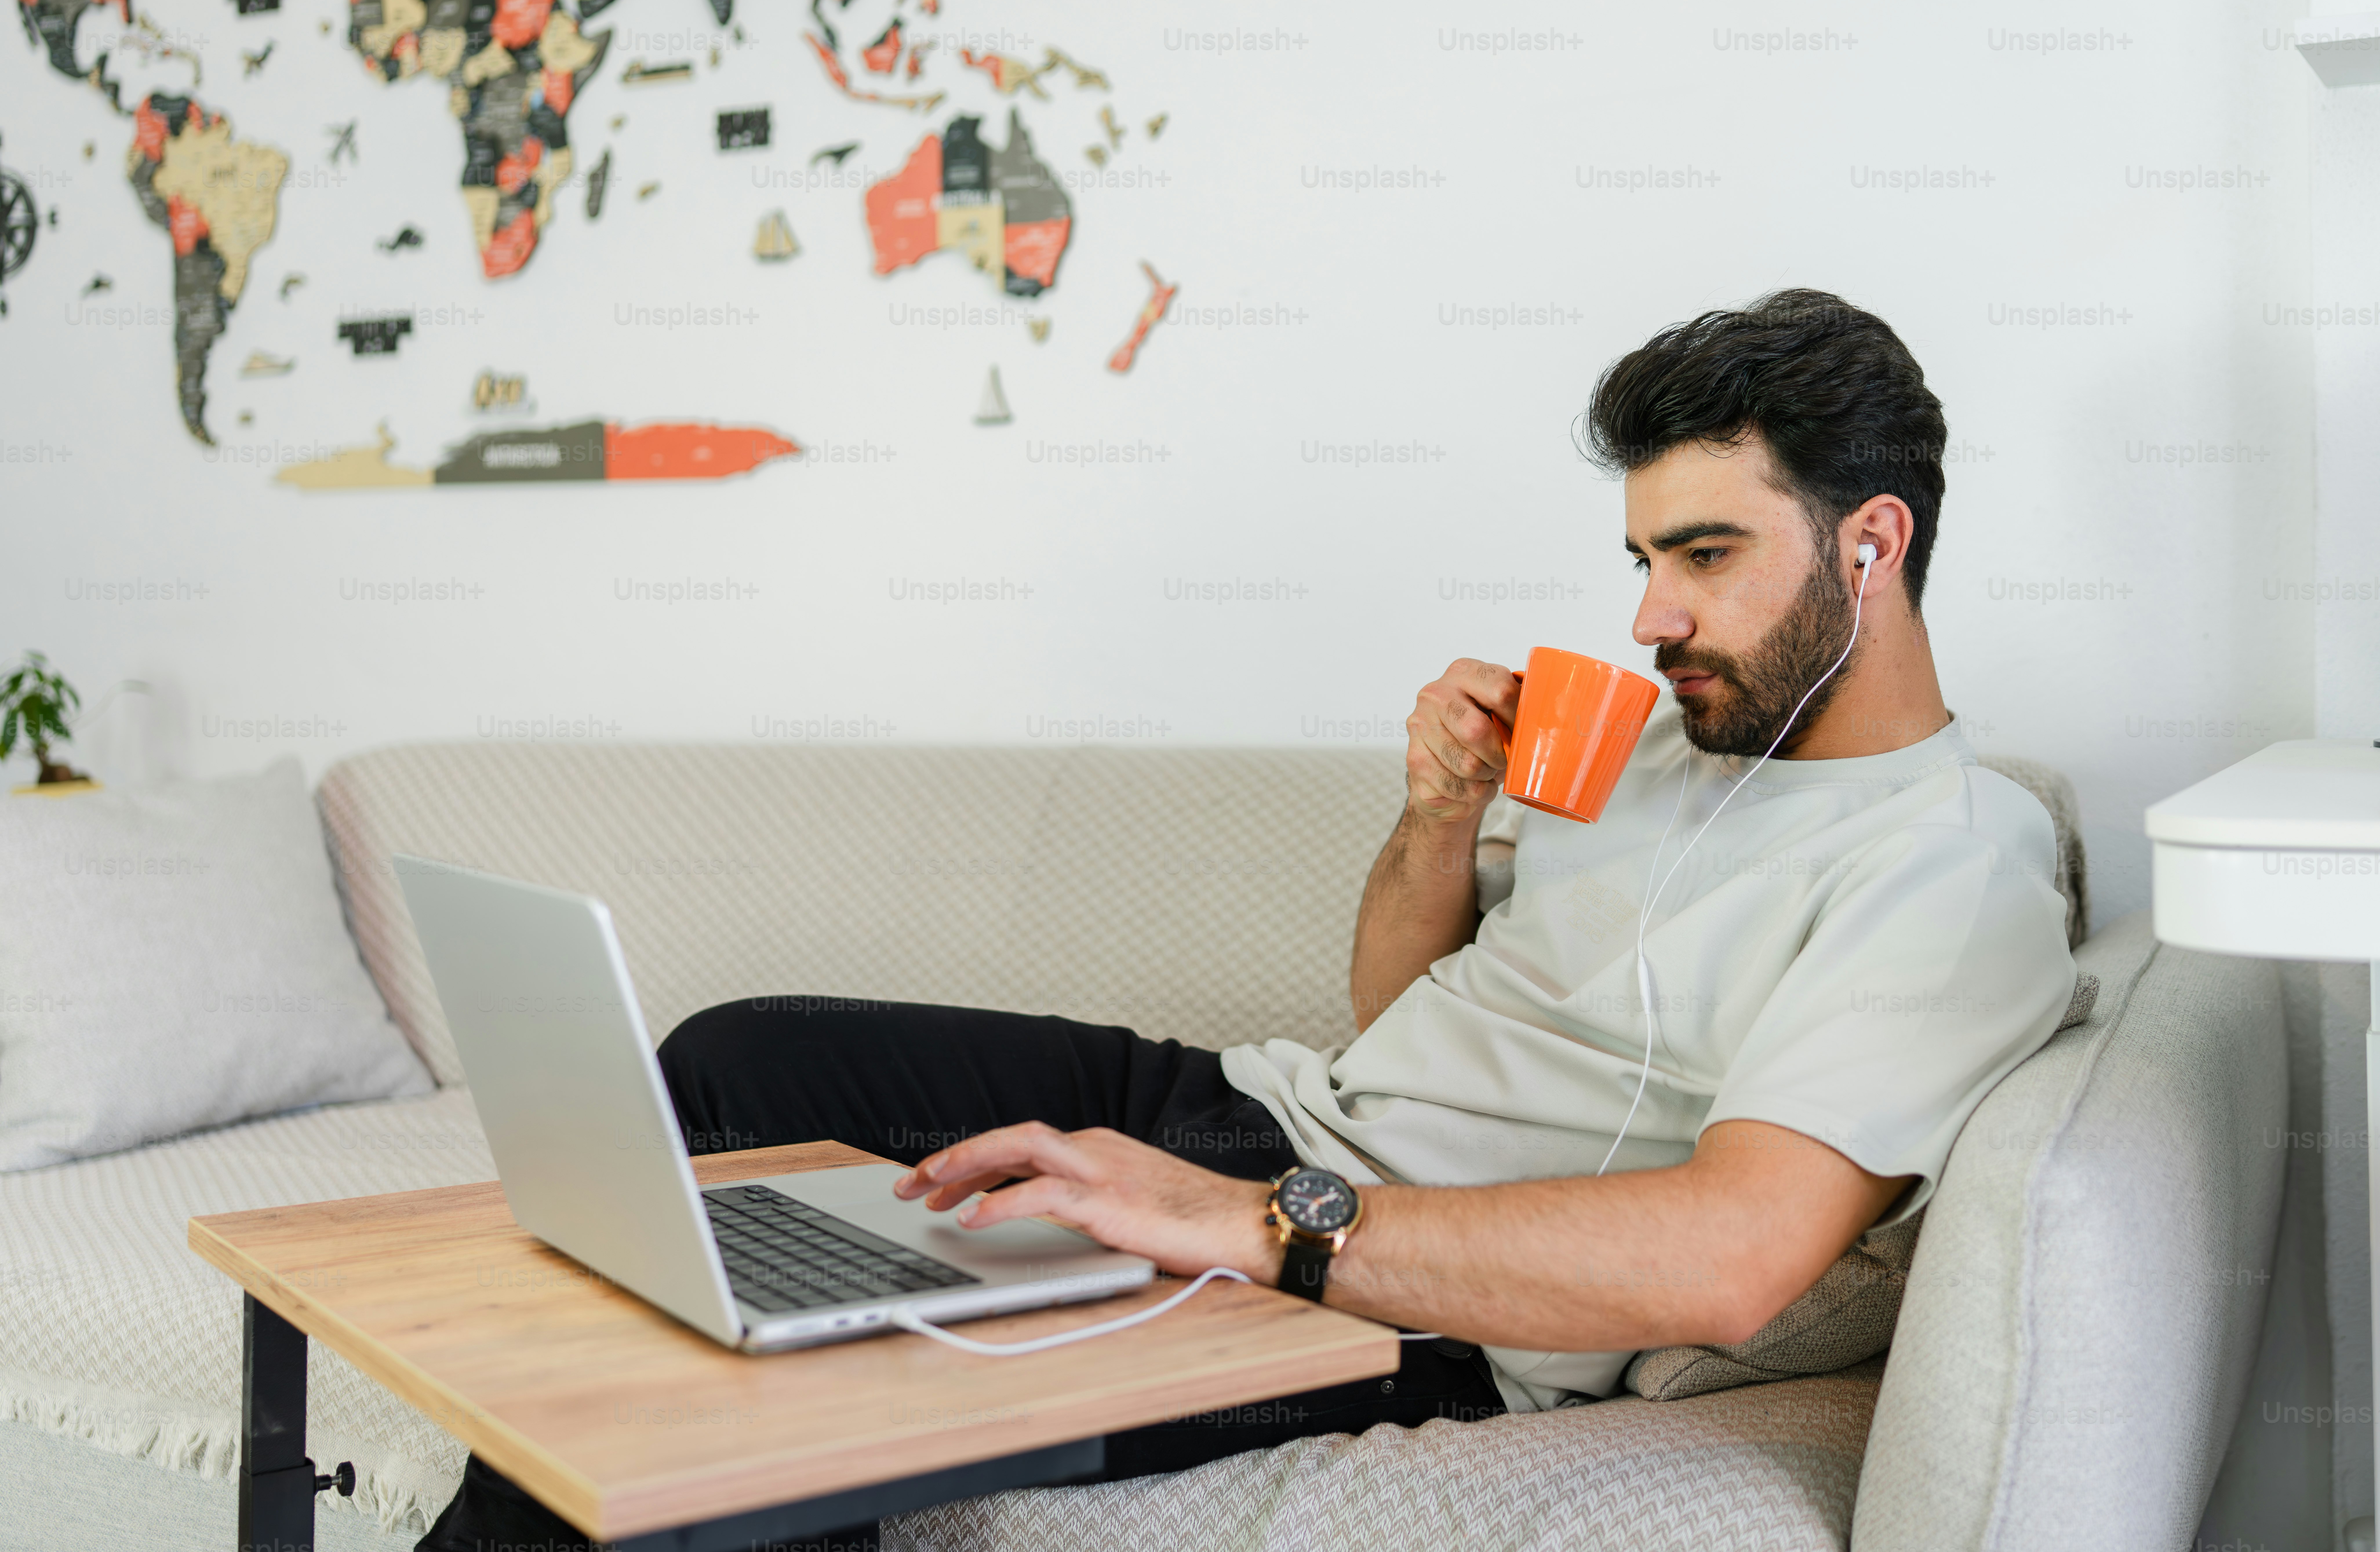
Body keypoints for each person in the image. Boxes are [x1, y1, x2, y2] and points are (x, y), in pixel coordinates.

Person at [419, 288, 2076, 1551]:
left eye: (1704, 556)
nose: (1651, 616)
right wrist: (1437, 815)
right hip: (1265, 1116)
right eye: (1642, 558)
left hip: (1398, 1292)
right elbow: (1400, 1016)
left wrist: (1250, 1225)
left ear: (1871, 546)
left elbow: (1730, 1259)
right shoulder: (1662, 746)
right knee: (736, 1065)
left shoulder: (1954, 865)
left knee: (826, 1370)